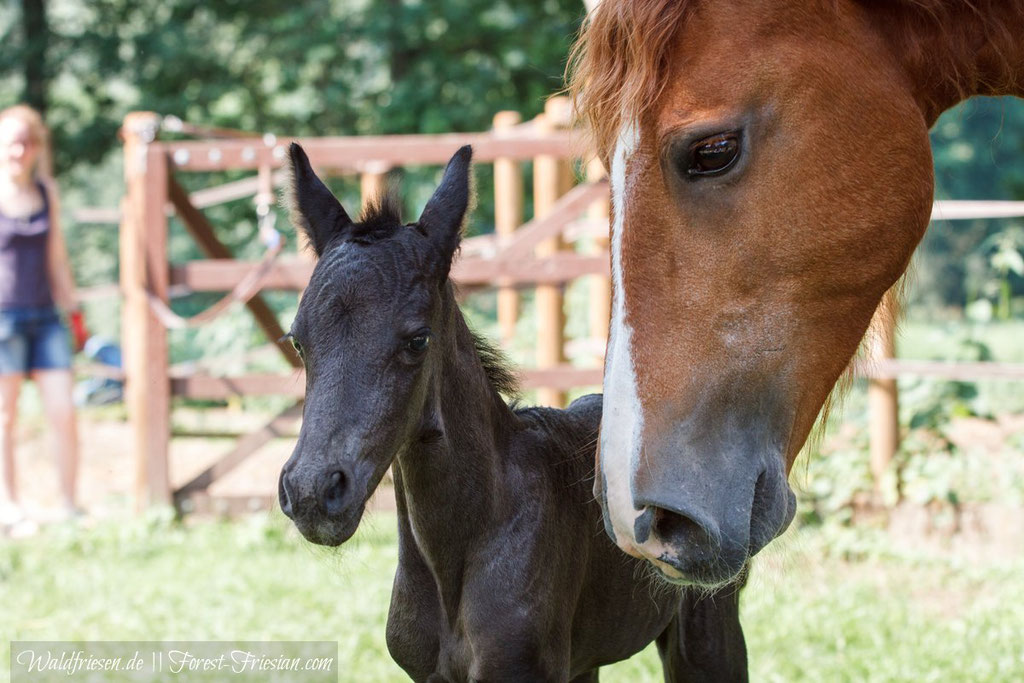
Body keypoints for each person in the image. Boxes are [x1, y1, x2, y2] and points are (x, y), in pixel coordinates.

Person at [0, 104, 86, 529]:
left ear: (35, 147)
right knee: (4, 416)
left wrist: (74, 314)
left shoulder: (47, 192)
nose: (18, 149)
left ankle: (68, 504)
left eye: (26, 141)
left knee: (62, 411)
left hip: (46, 318)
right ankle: (8, 505)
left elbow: (57, 260)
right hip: (3, 320)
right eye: (12, 140)